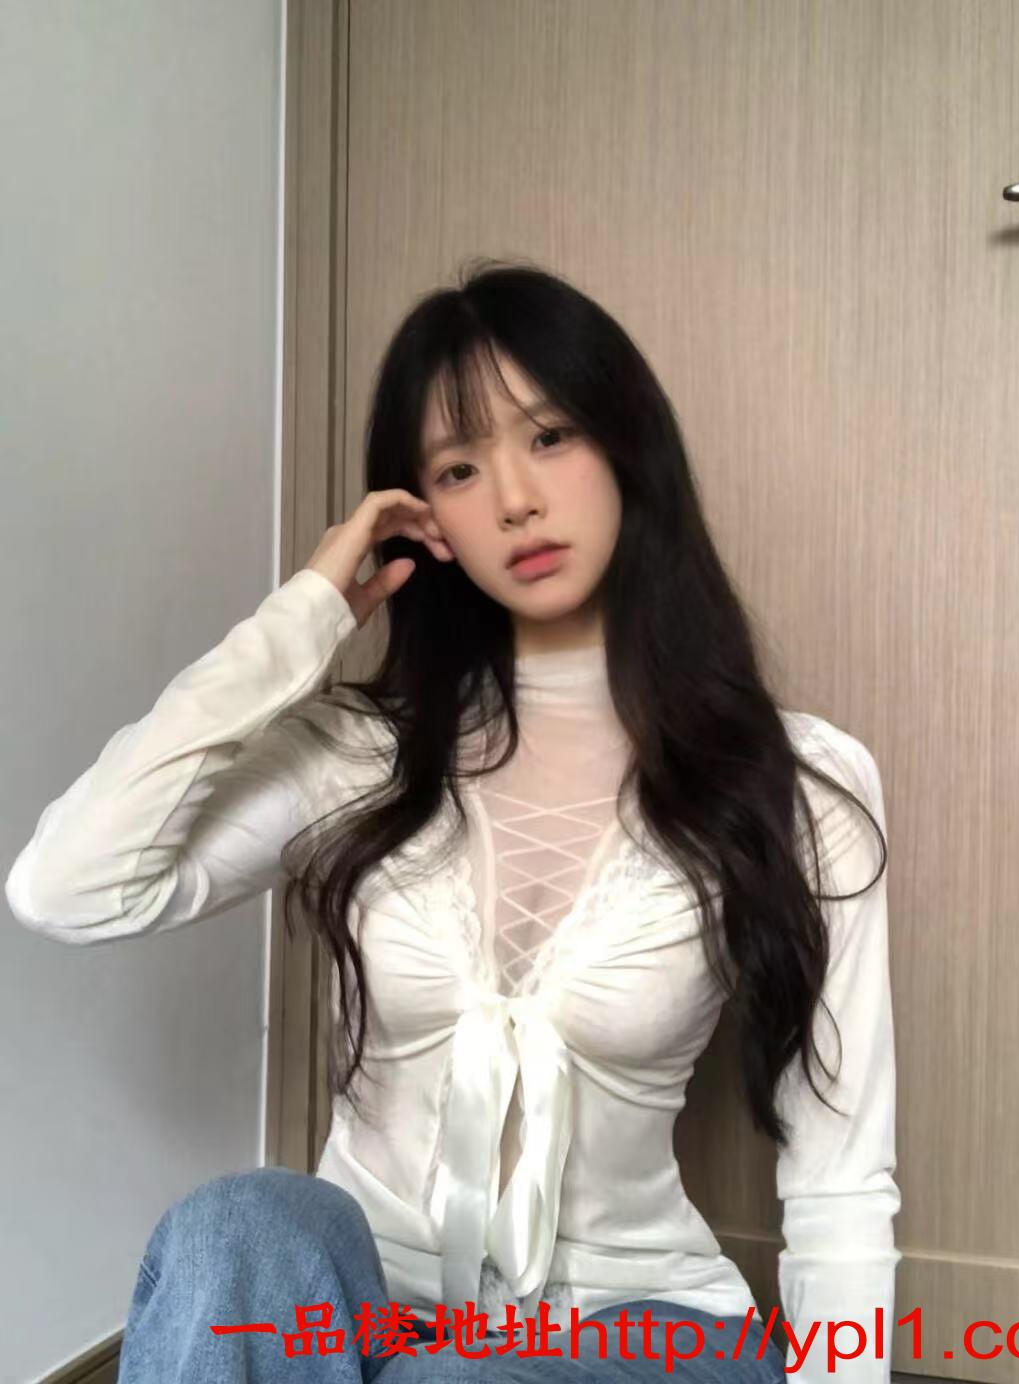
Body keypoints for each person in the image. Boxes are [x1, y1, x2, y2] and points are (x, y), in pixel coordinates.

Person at [5, 259, 899, 1382]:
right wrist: (305, 616)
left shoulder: (798, 782)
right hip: (375, 1316)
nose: (515, 498)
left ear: (630, 446)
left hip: (645, 1336)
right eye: (460, 468)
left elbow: (840, 1179)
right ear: (422, 519)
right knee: (237, 1227)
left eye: (551, 437)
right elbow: (64, 888)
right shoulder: (355, 757)